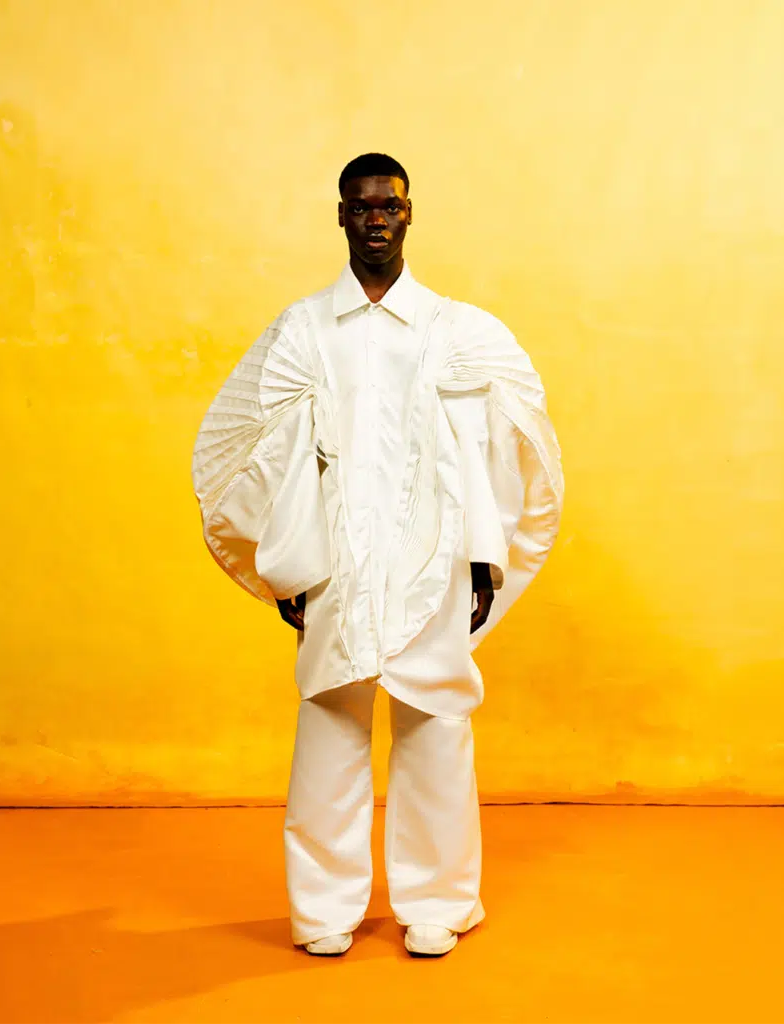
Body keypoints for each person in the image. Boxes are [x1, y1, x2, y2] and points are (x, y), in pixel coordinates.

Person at [192, 153, 563, 958]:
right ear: (340, 216)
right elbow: (256, 446)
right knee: (330, 729)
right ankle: (324, 911)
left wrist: (479, 561)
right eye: (360, 206)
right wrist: (280, 566)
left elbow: (494, 450)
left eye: (387, 204)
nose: (374, 218)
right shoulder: (302, 329)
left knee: (434, 727)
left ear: (407, 213)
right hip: (335, 561)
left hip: (431, 560)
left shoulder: (457, 330)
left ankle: (439, 902)